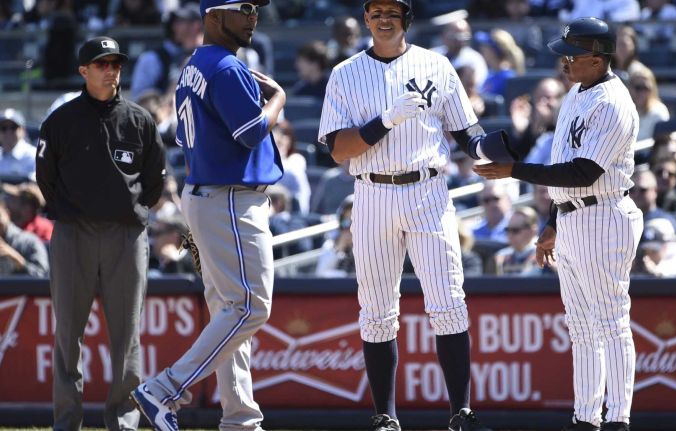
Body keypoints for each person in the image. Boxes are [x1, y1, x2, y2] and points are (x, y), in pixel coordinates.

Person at [317, 0, 506, 429]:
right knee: (377, 309)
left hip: (428, 190)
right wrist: (384, 120)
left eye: (393, 11)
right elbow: (338, 150)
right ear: (366, 18)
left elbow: (464, 128)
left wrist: (485, 148)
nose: (385, 19)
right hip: (372, 192)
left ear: (406, 19)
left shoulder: (436, 65)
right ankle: (385, 416)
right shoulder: (345, 73)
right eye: (377, 11)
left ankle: (462, 411)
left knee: (449, 302)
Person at [472, 18, 643, 431]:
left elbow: (583, 172)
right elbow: (560, 166)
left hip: (604, 213)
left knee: (611, 322)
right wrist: (553, 222)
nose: (564, 62)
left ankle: (618, 419)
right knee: (582, 328)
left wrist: (514, 170)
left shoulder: (614, 102)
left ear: (598, 58)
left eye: (572, 55)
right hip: (572, 217)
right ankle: (586, 419)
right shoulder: (574, 94)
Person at [129, 0, 286, 430]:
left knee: (229, 310)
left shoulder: (195, 63)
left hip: (206, 197)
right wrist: (278, 99)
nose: (254, 16)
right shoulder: (225, 66)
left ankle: (240, 419)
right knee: (250, 307)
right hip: (229, 198)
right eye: (246, 8)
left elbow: (183, 133)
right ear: (215, 15)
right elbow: (252, 132)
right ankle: (166, 389)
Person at [35, 36, 166, 431]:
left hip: (125, 237)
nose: (111, 70)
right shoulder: (60, 120)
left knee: (127, 336)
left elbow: (155, 181)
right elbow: (46, 179)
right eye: (102, 63)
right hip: (73, 233)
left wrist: (133, 212)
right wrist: (74, 211)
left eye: (116, 63)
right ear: (83, 71)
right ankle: (66, 419)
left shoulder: (140, 120)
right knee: (67, 335)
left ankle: (123, 420)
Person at [0, 108, 37, 181]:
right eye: (3, 128)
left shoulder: (34, 156)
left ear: (23, 130)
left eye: (13, 127)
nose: (8, 132)